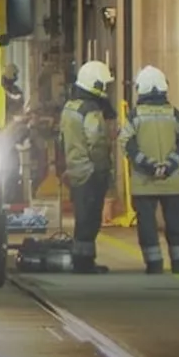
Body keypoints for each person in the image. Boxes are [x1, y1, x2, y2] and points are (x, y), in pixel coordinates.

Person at [120, 66, 179, 274]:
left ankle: (154, 264)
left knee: (147, 224)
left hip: (144, 181)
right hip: (171, 180)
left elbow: (126, 142)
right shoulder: (174, 114)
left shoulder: (135, 116)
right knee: (175, 220)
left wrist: (148, 165)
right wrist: (169, 165)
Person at [60, 59, 117, 274]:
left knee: (81, 216)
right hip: (91, 170)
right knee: (90, 219)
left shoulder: (70, 106)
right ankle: (84, 262)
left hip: (75, 168)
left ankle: (82, 259)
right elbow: (96, 141)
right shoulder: (90, 109)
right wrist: (104, 167)